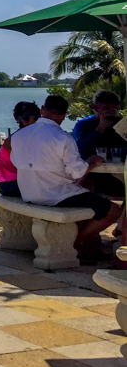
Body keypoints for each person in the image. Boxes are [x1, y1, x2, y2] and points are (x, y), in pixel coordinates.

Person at [11, 94, 123, 261]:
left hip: (28, 192)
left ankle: (87, 243)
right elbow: (77, 172)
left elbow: (15, 161)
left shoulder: (19, 136)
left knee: (87, 192)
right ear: (63, 116)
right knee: (113, 210)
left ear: (42, 110)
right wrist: (91, 162)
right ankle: (77, 241)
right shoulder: (62, 138)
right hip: (56, 195)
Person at [73, 89, 127, 198]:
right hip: (93, 172)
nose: (110, 112)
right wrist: (100, 128)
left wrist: (121, 126)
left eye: (114, 108)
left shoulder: (121, 124)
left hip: (118, 169)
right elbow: (80, 150)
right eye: (106, 108)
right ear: (95, 108)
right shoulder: (84, 125)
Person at [0, 101, 41, 197]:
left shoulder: (18, 136)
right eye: (36, 118)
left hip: (11, 183)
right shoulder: (18, 140)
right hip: (11, 184)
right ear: (25, 121)